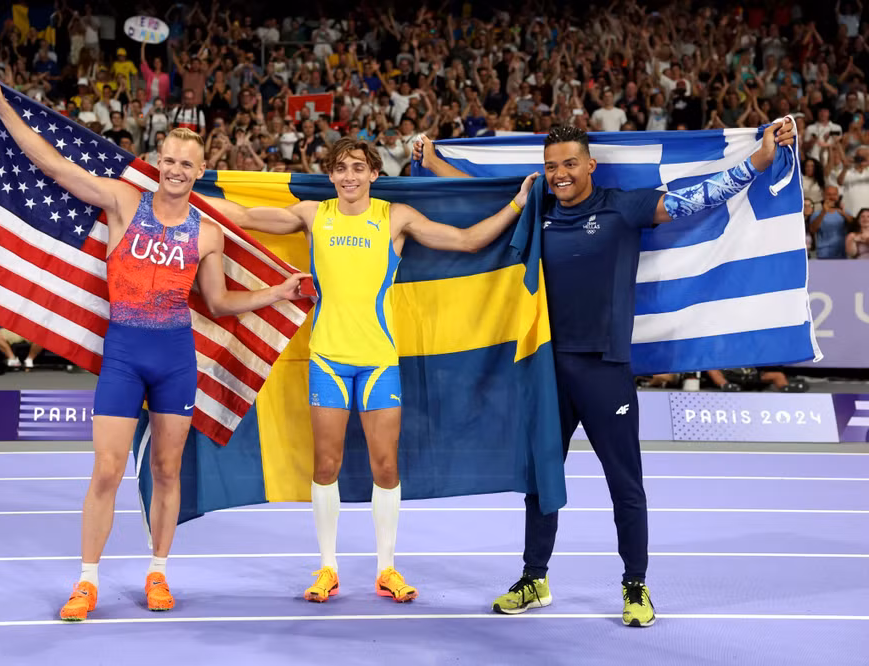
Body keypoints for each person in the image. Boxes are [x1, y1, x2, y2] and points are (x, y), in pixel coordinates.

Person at [415, 118, 797, 627]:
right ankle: (535, 578)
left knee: (625, 484)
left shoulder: (623, 205)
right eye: (551, 166)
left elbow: (695, 198)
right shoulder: (539, 207)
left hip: (605, 368)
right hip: (547, 368)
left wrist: (759, 162)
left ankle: (635, 585)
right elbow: (478, 196)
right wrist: (432, 158)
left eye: (570, 164)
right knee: (541, 478)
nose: (560, 174)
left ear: (591, 164)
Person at [0, 72, 311, 622]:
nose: (176, 170)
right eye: (169, 160)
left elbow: (219, 304)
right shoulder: (124, 201)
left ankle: (158, 571)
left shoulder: (208, 233)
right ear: (159, 160)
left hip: (177, 358)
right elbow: (55, 166)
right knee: (106, 469)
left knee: (168, 470)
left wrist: (275, 292)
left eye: (187, 164)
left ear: (200, 172)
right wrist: (4, 107)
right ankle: (86, 582)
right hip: (125, 355)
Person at [225, 137, 537, 604]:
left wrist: (517, 203)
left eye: (357, 167)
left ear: (374, 173)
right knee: (326, 465)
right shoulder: (314, 214)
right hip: (328, 359)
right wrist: (174, 190)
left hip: (379, 363)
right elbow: (245, 216)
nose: (349, 176)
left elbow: (468, 241)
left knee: (385, 466)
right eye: (340, 168)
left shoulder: (395, 218)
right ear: (330, 175)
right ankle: (327, 567)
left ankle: (386, 568)